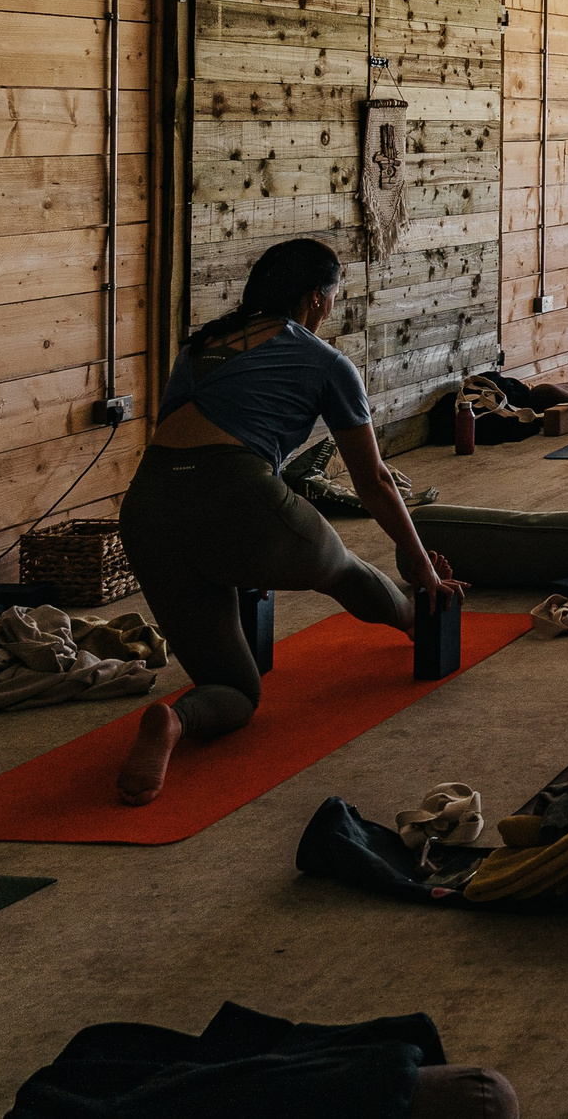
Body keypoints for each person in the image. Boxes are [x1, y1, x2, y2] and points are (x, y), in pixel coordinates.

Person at [113, 238, 462, 806]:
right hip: (239, 500)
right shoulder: (326, 363)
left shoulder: (196, 349)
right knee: (342, 568)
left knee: (232, 688)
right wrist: (424, 569)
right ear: (316, 302)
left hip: (147, 511)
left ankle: (172, 723)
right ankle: (416, 618)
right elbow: (373, 480)